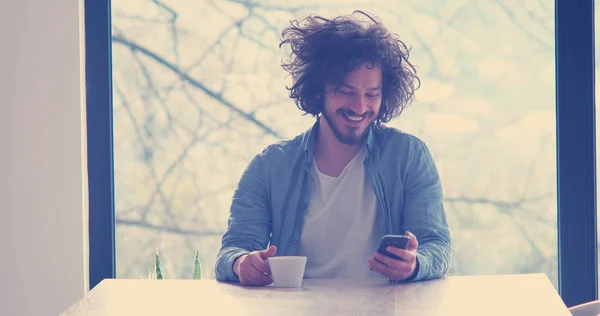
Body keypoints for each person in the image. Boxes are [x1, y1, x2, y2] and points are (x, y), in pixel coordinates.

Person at [215, 10, 451, 286]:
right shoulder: (268, 167)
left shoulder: (409, 156)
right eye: (345, 92)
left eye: (372, 94)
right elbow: (231, 251)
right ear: (318, 90)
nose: (360, 107)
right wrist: (241, 263)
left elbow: (437, 246)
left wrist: (415, 264)